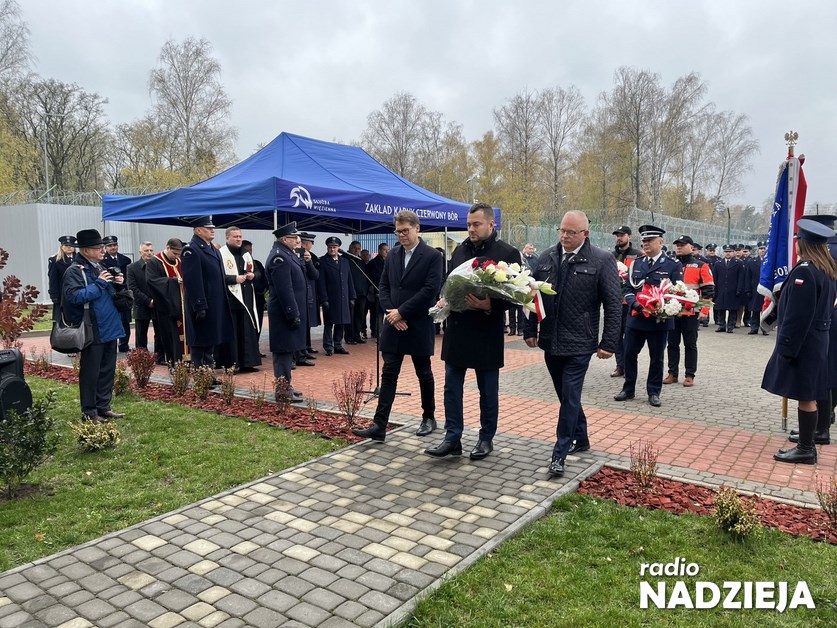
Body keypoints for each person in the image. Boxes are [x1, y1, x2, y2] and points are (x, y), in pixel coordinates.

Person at [524, 211, 621, 478]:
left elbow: (614, 304)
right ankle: (582, 437)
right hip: (550, 341)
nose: (565, 236)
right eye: (562, 230)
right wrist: (530, 330)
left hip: (580, 343)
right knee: (566, 396)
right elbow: (532, 296)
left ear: (585, 234)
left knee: (569, 397)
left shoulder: (602, 260)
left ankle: (560, 453)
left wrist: (608, 342)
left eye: (571, 232)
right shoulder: (547, 257)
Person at [425, 202, 521, 461]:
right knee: (451, 388)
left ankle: (486, 438)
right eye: (468, 224)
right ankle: (452, 438)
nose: (471, 229)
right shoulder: (460, 249)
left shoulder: (507, 253)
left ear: (491, 224)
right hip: (457, 330)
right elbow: (449, 281)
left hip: (486, 331)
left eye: (476, 224)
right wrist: (444, 300)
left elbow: (516, 295)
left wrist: (491, 305)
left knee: (487, 391)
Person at [352, 210, 443, 442]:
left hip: (418, 322)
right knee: (389, 373)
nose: (401, 235)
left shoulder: (432, 256)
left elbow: (430, 290)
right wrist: (392, 313)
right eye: (398, 231)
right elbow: (383, 286)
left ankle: (429, 417)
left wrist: (402, 312)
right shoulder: (392, 254)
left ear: (417, 228)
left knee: (423, 372)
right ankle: (379, 425)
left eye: (405, 231)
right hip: (393, 322)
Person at [762, 219, 837, 464]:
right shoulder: (825, 269)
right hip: (817, 340)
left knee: (806, 396)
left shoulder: (805, 270)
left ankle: (806, 448)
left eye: (797, 240)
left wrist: (786, 347)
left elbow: (798, 316)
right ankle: (807, 444)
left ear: (803, 243)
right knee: (810, 395)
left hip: (804, 342)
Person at [62, 229, 127, 423]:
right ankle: (89, 411)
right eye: (98, 248)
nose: (103, 251)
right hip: (93, 328)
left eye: (102, 247)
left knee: (107, 370)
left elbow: (109, 293)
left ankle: (103, 406)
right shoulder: (75, 271)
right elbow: (74, 297)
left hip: (110, 326)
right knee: (91, 372)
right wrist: (99, 284)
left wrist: (118, 284)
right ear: (86, 250)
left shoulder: (100, 267)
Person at [614, 225, 683, 408]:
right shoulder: (637, 263)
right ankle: (628, 389)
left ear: (660, 242)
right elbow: (628, 289)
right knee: (629, 354)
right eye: (644, 241)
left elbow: (678, 292)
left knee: (656, 358)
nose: (645, 244)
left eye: (650, 241)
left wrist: (663, 307)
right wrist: (634, 303)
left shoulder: (672, 265)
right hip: (636, 318)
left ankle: (653, 392)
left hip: (658, 321)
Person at [181, 217, 233, 368]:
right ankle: (202, 375)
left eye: (212, 228)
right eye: (208, 228)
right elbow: (193, 281)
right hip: (203, 304)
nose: (212, 230)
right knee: (201, 343)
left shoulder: (212, 249)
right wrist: (199, 305)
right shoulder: (191, 250)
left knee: (210, 342)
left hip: (214, 303)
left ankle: (208, 373)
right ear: (198, 230)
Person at [663, 235, 714, 387]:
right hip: (672, 311)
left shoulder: (701, 265)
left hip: (691, 312)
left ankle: (690, 374)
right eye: (677, 245)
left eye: (682, 245)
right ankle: (672, 373)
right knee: (672, 344)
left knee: (690, 344)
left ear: (691, 247)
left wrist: (704, 310)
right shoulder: (671, 264)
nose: (679, 247)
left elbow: (708, 289)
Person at [265, 222, 307, 402]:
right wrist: (292, 313)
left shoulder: (287, 254)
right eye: (294, 237)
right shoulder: (279, 257)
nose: (298, 240)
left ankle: (286, 386)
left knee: (288, 351)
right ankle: (282, 391)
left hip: (289, 311)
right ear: (284, 239)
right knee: (283, 352)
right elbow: (285, 289)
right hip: (283, 313)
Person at [217, 227, 261, 371]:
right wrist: (234, 279)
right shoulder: (221, 254)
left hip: (246, 300)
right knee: (233, 334)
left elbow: (258, 272)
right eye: (235, 236)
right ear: (227, 238)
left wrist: (253, 275)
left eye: (240, 236)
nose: (238, 239)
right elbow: (217, 276)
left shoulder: (246, 254)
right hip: (231, 299)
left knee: (247, 332)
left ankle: (247, 363)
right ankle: (232, 364)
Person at [146, 238, 187, 364]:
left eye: (179, 254)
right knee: (171, 338)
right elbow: (152, 281)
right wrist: (173, 281)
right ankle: (174, 364)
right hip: (166, 308)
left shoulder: (180, 261)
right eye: (174, 253)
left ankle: (187, 362)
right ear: (168, 247)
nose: (176, 256)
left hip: (182, 306)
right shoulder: (154, 262)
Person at [611, 225, 642, 378]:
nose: (619, 238)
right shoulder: (611, 256)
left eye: (622, 235)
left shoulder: (638, 255)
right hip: (614, 302)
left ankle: (629, 365)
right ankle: (620, 366)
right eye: (617, 235)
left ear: (629, 237)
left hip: (630, 303)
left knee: (630, 336)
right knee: (616, 335)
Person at [317, 236, 356, 356]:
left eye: (334, 247)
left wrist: (352, 296)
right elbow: (321, 282)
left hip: (343, 297)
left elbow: (349, 280)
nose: (332, 249)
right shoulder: (323, 261)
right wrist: (324, 299)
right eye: (330, 247)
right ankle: (328, 346)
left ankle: (338, 345)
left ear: (338, 248)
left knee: (341, 322)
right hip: (331, 298)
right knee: (329, 323)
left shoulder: (345, 261)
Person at [126, 241, 158, 357]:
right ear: (140, 252)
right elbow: (132, 288)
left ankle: (159, 357)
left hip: (157, 305)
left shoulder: (158, 265)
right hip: (141, 305)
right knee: (141, 335)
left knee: (159, 333)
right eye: (146, 251)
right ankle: (141, 359)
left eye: (151, 250)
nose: (149, 253)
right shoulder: (132, 267)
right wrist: (148, 301)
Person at [102, 235, 132, 352]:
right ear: (105, 247)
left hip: (123, 292)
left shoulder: (125, 260)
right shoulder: (102, 261)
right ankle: (111, 345)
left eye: (114, 245)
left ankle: (124, 344)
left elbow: (128, 277)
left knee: (125, 320)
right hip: (111, 292)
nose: (113, 247)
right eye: (110, 245)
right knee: (111, 319)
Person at [299, 232, 321, 358]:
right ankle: (301, 350)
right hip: (300, 294)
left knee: (307, 323)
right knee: (301, 324)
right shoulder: (295, 255)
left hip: (309, 293)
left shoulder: (312, 257)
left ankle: (306, 347)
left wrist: (309, 262)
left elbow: (315, 275)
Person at [242, 239, 268, 348]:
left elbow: (265, 278)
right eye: (246, 250)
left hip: (258, 300)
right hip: (246, 301)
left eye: (250, 250)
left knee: (258, 325)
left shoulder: (257, 263)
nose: (249, 252)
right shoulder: (239, 264)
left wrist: (263, 289)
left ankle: (255, 348)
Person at [712, 244, 742, 333]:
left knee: (732, 310)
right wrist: (714, 289)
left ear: (733, 252)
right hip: (721, 289)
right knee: (720, 309)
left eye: (730, 251)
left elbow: (741, 278)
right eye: (726, 251)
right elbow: (714, 278)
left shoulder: (738, 263)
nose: (728, 253)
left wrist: (739, 289)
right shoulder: (718, 263)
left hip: (733, 290)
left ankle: (730, 326)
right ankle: (721, 325)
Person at [47, 235, 77, 321]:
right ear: (61, 247)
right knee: (61, 320)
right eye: (66, 245)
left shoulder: (79, 259)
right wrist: (54, 296)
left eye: (71, 245)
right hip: (62, 295)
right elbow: (53, 280)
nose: (69, 247)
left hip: (77, 292)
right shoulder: (55, 260)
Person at [345, 240, 369, 344]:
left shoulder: (360, 261)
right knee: (350, 316)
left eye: (358, 249)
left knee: (360, 315)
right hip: (350, 293)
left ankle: (357, 335)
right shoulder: (345, 259)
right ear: (350, 247)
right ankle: (349, 336)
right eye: (354, 248)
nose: (356, 250)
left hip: (361, 293)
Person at [366, 242, 389, 339]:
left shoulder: (388, 261)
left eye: (387, 250)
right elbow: (374, 276)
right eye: (384, 250)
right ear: (379, 250)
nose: (386, 252)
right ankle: (376, 331)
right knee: (377, 313)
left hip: (387, 292)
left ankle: (382, 331)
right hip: (377, 291)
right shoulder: (373, 263)